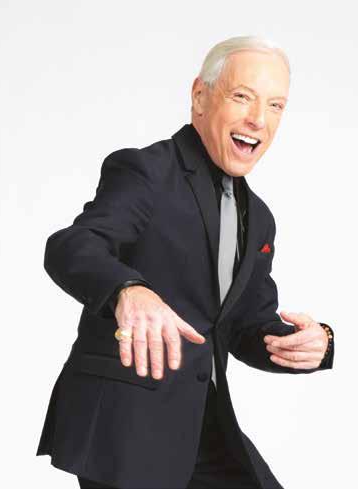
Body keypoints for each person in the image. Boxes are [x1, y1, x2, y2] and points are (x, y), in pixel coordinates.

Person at [36, 35, 335, 489]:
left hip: (201, 422)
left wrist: (310, 344)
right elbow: (73, 244)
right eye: (243, 97)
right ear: (200, 96)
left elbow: (245, 327)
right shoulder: (148, 172)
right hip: (125, 426)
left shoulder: (260, 219)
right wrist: (127, 290)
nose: (259, 119)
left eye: (276, 106)